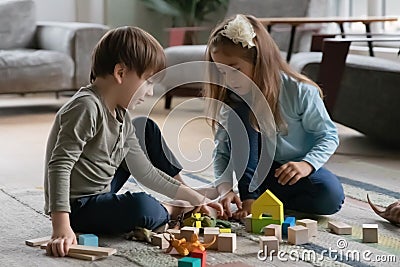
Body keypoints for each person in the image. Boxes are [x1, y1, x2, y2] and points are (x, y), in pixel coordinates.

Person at [44, 26, 222, 257]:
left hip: (103, 188)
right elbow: (59, 165)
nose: (150, 92)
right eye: (148, 81)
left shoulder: (122, 115)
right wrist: (61, 226)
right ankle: (171, 209)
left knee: (145, 128)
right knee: (141, 207)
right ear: (120, 73)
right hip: (78, 207)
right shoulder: (86, 107)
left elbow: (145, 172)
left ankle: (184, 197)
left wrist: (194, 197)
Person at [203, 14, 345, 219]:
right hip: (255, 176)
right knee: (240, 112)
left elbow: (328, 135)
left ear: (259, 60)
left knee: (330, 196)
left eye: (235, 69)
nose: (228, 80)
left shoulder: (300, 91)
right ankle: (251, 199)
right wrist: (225, 188)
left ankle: (267, 201)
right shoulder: (234, 102)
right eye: (222, 72)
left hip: (291, 171)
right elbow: (222, 152)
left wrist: (306, 165)